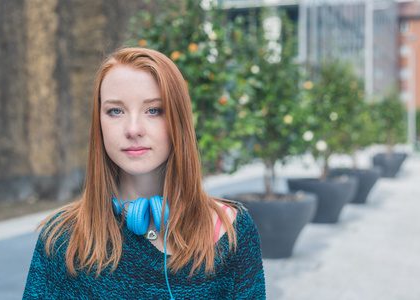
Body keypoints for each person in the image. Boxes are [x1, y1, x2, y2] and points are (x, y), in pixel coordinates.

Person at [23, 47, 266, 299]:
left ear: (178, 121)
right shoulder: (61, 239)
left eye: (154, 110)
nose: (133, 129)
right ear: (99, 123)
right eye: (115, 111)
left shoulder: (234, 230)